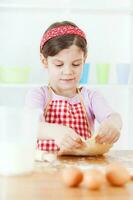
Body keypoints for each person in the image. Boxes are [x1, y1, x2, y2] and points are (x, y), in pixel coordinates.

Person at [25, 21, 122, 155]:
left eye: (76, 64)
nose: (68, 72)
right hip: (46, 168)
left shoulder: (91, 97)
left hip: (82, 168)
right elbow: (31, 125)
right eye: (59, 65)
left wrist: (113, 124)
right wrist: (56, 131)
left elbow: (113, 116)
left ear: (84, 59)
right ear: (44, 61)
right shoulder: (39, 94)